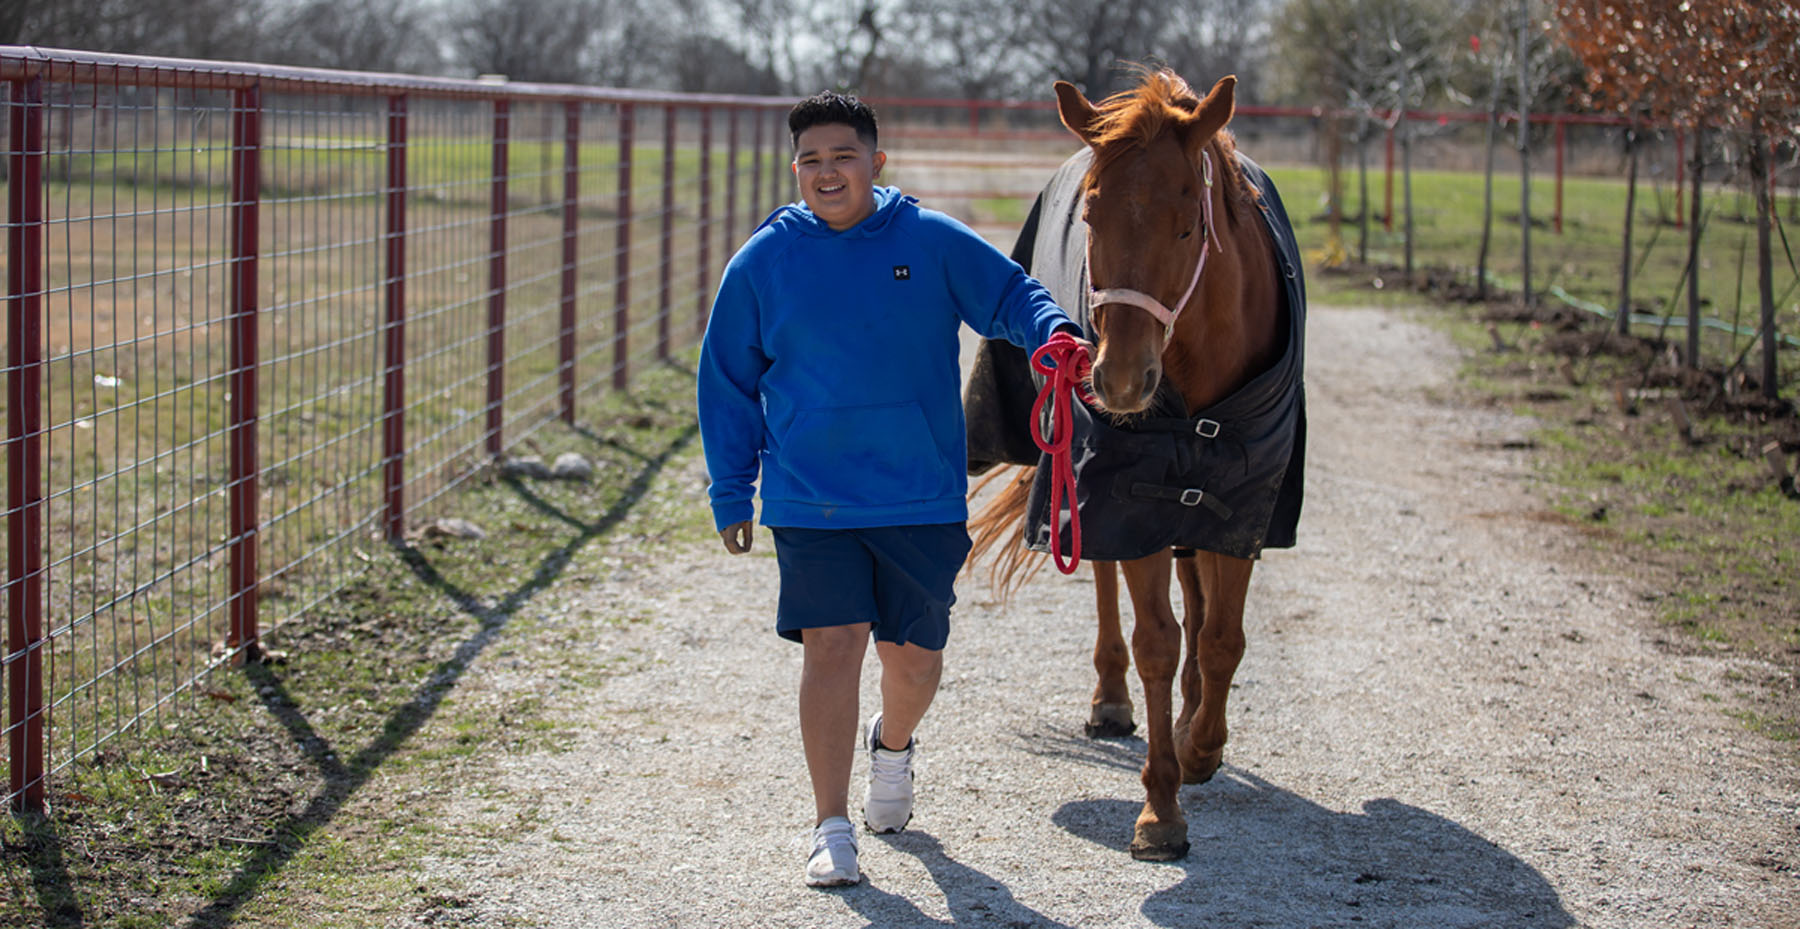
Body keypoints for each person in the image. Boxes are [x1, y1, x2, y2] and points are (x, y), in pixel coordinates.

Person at [697, 90, 1085, 888]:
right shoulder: (763, 261)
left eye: (843, 156)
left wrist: (1052, 334)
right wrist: (733, 490)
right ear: (795, 168)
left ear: (878, 161)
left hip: (919, 494)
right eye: (811, 159)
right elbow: (727, 381)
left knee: (914, 661)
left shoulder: (930, 240)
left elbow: (1013, 295)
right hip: (813, 496)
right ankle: (829, 825)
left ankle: (895, 746)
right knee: (832, 646)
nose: (826, 172)